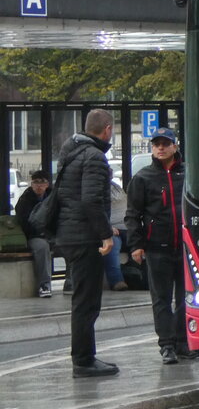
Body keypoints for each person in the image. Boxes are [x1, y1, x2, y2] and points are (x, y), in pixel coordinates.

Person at [125, 128, 199, 364]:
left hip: (185, 246)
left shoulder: (188, 174)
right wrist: (136, 245)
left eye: (165, 144)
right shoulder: (143, 178)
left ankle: (181, 341)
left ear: (175, 146)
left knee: (186, 297)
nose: (160, 148)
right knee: (161, 298)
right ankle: (166, 344)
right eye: (156, 144)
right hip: (157, 246)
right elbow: (132, 214)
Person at [55, 108, 120, 378]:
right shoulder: (94, 157)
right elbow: (91, 200)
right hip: (84, 237)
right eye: (112, 130)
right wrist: (105, 234)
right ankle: (83, 360)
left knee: (82, 298)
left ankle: (84, 357)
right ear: (107, 130)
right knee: (87, 301)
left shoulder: (70, 149)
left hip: (70, 233)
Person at [14, 170, 54, 298]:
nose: (39, 186)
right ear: (31, 184)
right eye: (36, 182)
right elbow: (24, 223)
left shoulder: (53, 198)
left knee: (72, 244)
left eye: (42, 182)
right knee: (42, 247)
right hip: (34, 236)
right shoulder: (24, 200)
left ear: (47, 184)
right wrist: (40, 233)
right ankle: (44, 285)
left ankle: (71, 282)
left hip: (52, 234)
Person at [102, 175, 130, 291]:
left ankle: (144, 278)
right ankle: (117, 281)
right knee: (112, 244)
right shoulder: (95, 188)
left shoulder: (116, 187)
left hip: (126, 226)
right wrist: (107, 227)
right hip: (110, 229)